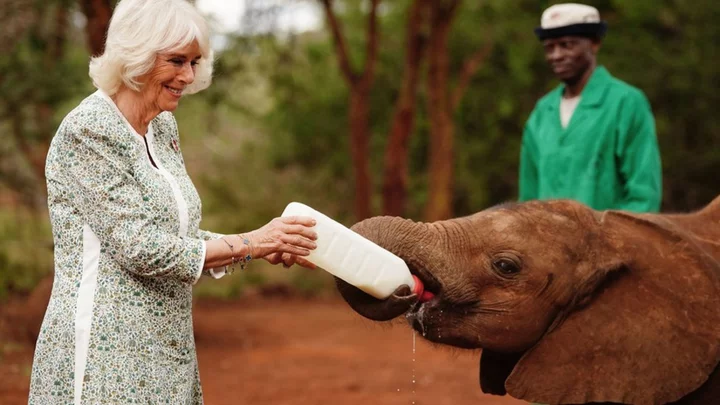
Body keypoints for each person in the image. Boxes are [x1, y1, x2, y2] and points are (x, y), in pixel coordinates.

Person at [28, 0, 318, 403]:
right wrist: (253, 242)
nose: (189, 75)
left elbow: (178, 236)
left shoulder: (162, 126)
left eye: (195, 62)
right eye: (177, 61)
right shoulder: (89, 131)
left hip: (167, 348)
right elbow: (142, 248)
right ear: (137, 56)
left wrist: (265, 246)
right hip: (104, 353)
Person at [519, 3, 662, 213]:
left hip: (608, 243)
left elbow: (643, 196)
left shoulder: (626, 103)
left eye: (567, 45)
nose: (556, 55)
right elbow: (527, 200)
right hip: (548, 245)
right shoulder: (542, 113)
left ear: (594, 44)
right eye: (549, 47)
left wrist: (614, 244)